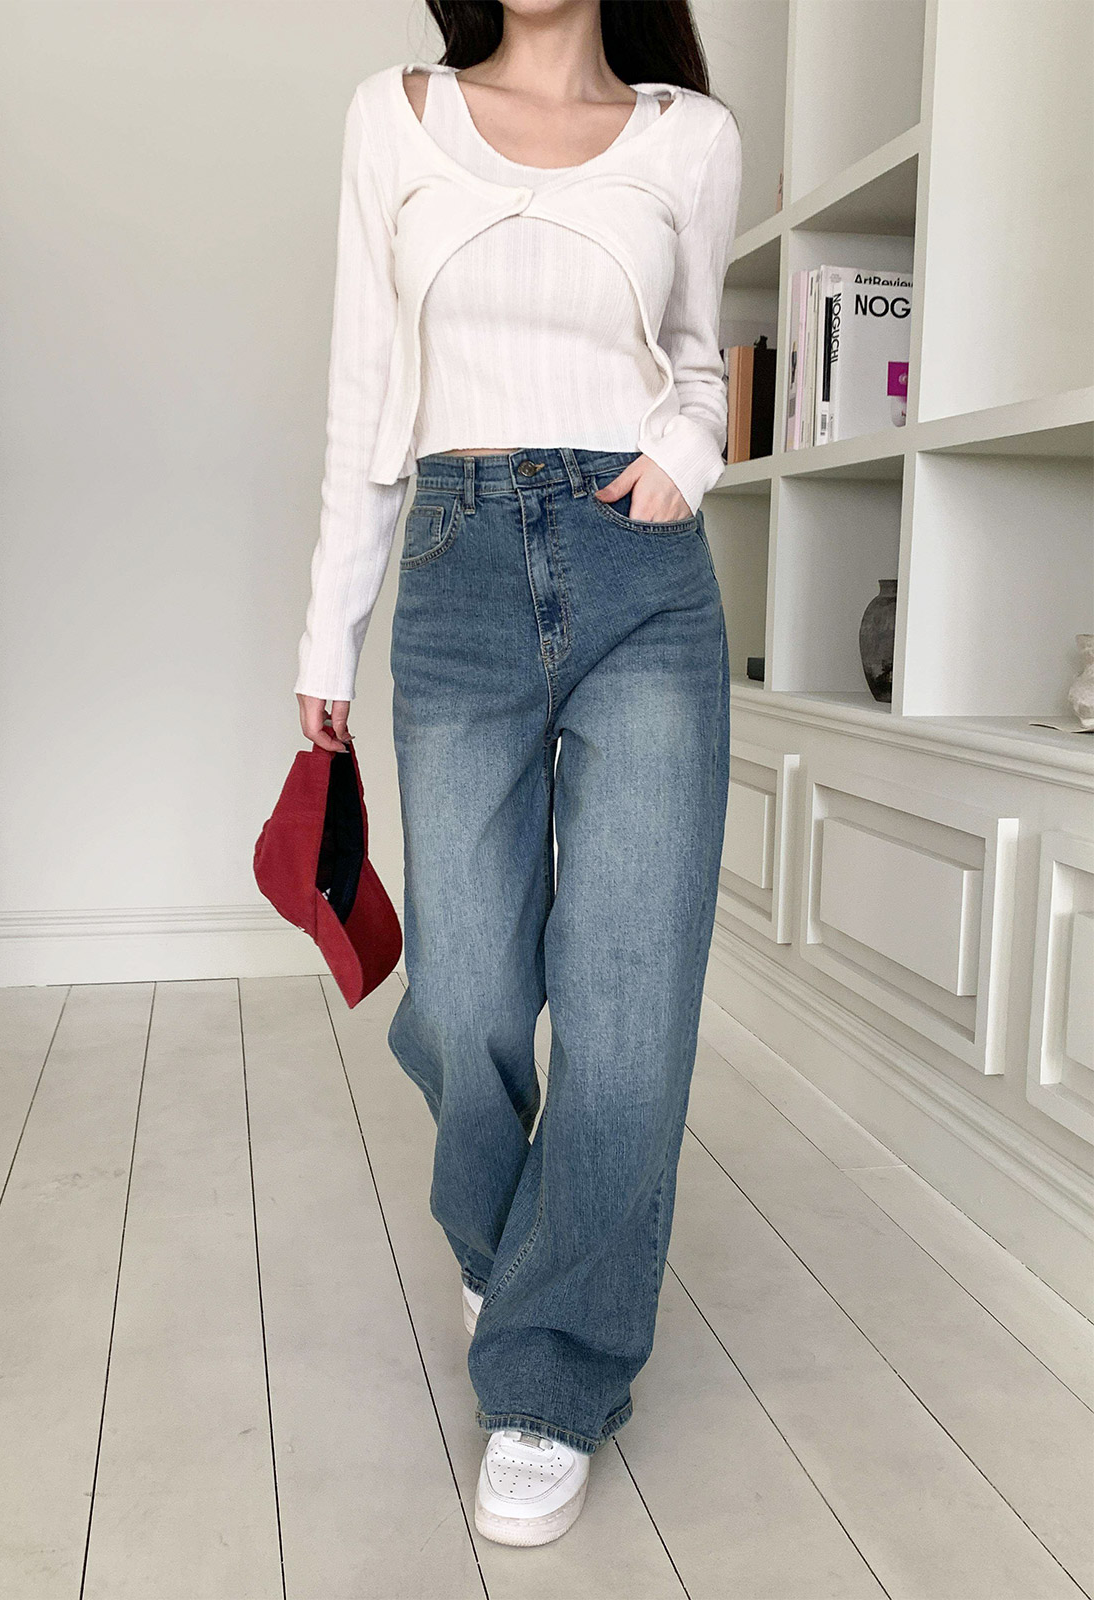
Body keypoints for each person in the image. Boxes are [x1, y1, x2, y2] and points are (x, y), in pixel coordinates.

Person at [294, 0, 740, 1548]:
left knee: (627, 1002)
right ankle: (514, 1236)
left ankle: (551, 1377)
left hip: (645, 579)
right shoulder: (395, 116)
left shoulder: (691, 137)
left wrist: (688, 456)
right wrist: (326, 635)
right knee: (471, 990)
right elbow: (365, 394)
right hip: (458, 563)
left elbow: (700, 367)